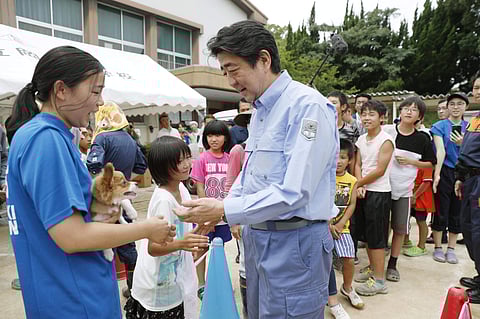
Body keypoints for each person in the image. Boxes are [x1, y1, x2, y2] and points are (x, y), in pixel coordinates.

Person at [175, 20, 338, 319]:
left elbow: (296, 191)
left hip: (295, 243)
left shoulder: (307, 107)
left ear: (264, 59)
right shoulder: (262, 110)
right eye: (224, 72)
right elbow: (249, 175)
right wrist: (219, 209)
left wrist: (224, 209)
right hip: (258, 239)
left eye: (233, 69)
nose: (230, 80)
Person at [4, 46, 176, 318]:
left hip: (59, 295)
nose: (99, 102)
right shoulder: (46, 139)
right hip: (76, 299)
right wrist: (146, 229)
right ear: (61, 90)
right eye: (95, 91)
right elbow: (72, 236)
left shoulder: (35, 136)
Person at [125, 136, 209, 319]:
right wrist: (182, 244)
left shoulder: (181, 189)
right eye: (179, 161)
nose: (187, 164)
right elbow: (153, 248)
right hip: (158, 284)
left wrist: (198, 231)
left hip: (175, 278)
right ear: (162, 166)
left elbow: (181, 231)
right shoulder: (164, 199)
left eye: (187, 157)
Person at [87, 101, 148, 298]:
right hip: (125, 196)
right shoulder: (131, 140)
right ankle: (134, 288)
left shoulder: (101, 138)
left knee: (103, 245)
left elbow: (94, 164)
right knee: (127, 243)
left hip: (103, 201)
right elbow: (141, 167)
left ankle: (107, 291)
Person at [382, 97, 436, 282]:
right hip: (381, 188)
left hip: (404, 190)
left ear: (419, 117)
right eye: (406, 107)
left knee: (399, 228)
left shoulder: (422, 138)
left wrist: (412, 162)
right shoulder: (387, 131)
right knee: (380, 228)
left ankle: (392, 265)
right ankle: (376, 264)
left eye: (414, 110)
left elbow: (431, 163)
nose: (408, 111)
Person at [353, 100, 394, 296]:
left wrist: (358, 184)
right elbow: (358, 164)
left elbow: (379, 170)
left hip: (379, 192)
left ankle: (379, 280)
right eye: (364, 114)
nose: (366, 118)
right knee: (368, 234)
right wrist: (359, 183)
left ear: (382, 118)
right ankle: (372, 268)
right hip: (363, 191)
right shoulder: (361, 139)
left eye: (371, 114)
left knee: (377, 237)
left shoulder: (386, 140)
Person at [190, 119, 231, 300]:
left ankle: (219, 282)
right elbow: (200, 188)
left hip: (225, 213)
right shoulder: (202, 159)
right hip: (206, 214)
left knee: (220, 248)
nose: (214, 139)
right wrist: (206, 215)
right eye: (210, 135)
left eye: (218, 135)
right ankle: (201, 284)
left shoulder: (231, 159)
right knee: (201, 248)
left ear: (225, 137)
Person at [430, 92, 469, 263]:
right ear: (447, 107)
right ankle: (438, 247)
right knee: (441, 210)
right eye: (452, 104)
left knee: (457, 211)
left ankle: (451, 249)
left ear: (465, 107)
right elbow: (440, 151)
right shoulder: (439, 126)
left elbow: (472, 153)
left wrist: (463, 143)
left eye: (460, 104)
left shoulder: (471, 127)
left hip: (463, 172)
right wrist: (437, 174)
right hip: (445, 170)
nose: (455, 107)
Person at [327, 139, 363, 319]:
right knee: (324, 263)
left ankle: (348, 288)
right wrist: (328, 224)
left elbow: (352, 204)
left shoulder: (352, 180)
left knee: (349, 258)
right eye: (335, 157)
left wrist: (340, 224)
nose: (338, 161)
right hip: (324, 226)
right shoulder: (324, 177)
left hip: (343, 228)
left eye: (342, 157)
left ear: (349, 160)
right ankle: (327, 294)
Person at [454, 72, 480, 303]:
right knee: (469, 227)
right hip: (470, 179)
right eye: (476, 87)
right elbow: (467, 152)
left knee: (479, 230)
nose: (478, 91)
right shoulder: (474, 118)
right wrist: (460, 177)